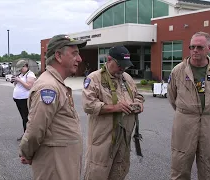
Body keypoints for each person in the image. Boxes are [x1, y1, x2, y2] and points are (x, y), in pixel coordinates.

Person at [19, 34, 87, 180]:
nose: (79, 59)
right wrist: (27, 152)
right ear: (58, 56)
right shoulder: (48, 87)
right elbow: (35, 129)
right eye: (74, 54)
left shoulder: (56, 84)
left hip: (62, 165)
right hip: (55, 169)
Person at [82, 45, 145, 180]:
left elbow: (138, 95)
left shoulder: (126, 77)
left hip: (124, 137)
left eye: (125, 66)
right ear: (109, 59)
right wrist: (115, 108)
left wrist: (139, 103)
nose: (122, 69)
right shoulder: (94, 78)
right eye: (120, 65)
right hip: (103, 138)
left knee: (119, 171)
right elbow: (88, 105)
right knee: (97, 172)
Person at [167, 31, 210, 180]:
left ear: (209, 48)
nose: (195, 50)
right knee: (180, 165)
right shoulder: (178, 70)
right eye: (192, 47)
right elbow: (172, 97)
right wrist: (188, 111)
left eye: (199, 47)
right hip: (185, 122)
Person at [12, 59, 36, 141]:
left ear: (25, 66)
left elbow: (29, 86)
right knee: (23, 117)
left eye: (21, 68)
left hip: (25, 99)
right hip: (18, 99)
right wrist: (15, 81)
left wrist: (19, 80)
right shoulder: (21, 74)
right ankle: (26, 134)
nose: (20, 70)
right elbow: (18, 85)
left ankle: (28, 136)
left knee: (26, 117)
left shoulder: (30, 74)